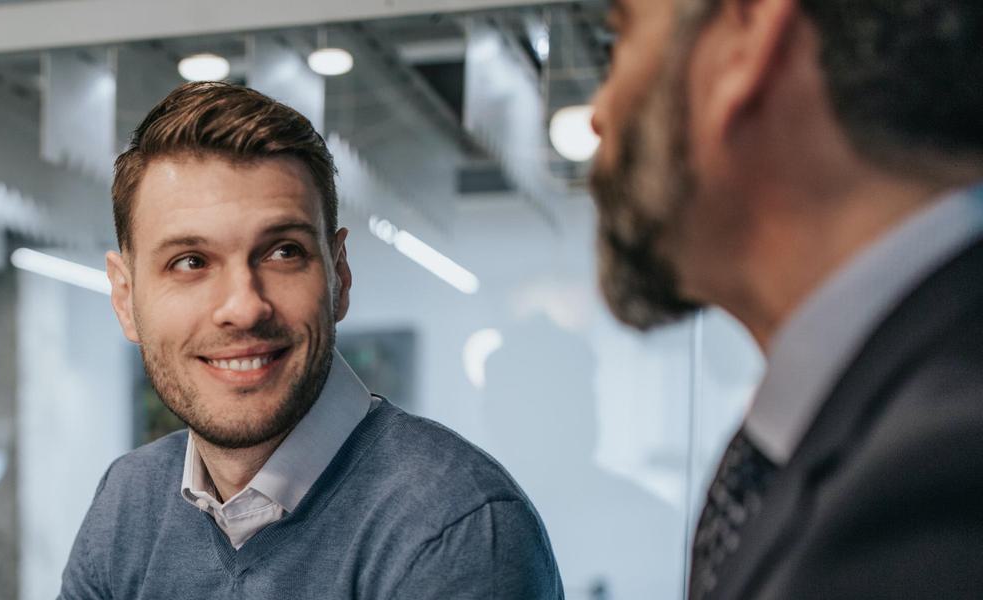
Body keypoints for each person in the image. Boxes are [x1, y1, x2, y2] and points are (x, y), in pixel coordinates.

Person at [57, 82, 561, 599]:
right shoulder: (128, 503)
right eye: (190, 262)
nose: (243, 306)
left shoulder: (454, 527)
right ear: (124, 298)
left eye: (282, 252)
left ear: (339, 275)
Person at [588, 0, 983, 597]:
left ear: (746, 36)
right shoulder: (839, 435)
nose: (597, 112)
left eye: (622, 33)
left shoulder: (934, 491)